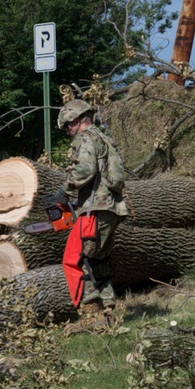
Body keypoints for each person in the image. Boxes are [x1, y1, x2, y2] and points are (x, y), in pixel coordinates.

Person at [56, 98, 128, 321]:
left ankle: (90, 313)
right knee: (97, 261)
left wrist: (65, 190)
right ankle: (108, 310)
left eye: (68, 126)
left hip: (94, 209)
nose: (68, 131)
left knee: (74, 260)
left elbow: (85, 170)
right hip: (113, 208)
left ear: (76, 120)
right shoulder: (106, 139)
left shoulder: (85, 138)